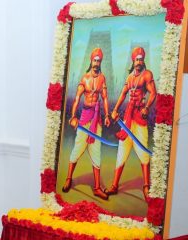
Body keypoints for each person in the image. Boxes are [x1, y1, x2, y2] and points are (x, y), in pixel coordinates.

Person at [104, 47, 156, 201]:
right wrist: (114, 110)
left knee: (143, 152)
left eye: (141, 59)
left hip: (140, 117)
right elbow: (122, 94)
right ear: (133, 60)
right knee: (122, 151)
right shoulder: (129, 78)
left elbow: (153, 93)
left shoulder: (147, 75)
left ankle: (146, 186)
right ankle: (114, 185)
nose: (139, 61)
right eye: (137, 59)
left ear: (143, 60)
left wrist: (147, 107)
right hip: (127, 119)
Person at [61, 48, 110, 200]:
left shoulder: (102, 78)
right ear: (91, 61)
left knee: (96, 152)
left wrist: (107, 115)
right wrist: (73, 116)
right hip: (85, 117)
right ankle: (69, 178)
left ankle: (96, 187)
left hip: (97, 120)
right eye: (95, 60)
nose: (96, 63)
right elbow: (76, 99)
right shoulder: (85, 78)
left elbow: (105, 98)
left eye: (99, 61)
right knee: (77, 148)